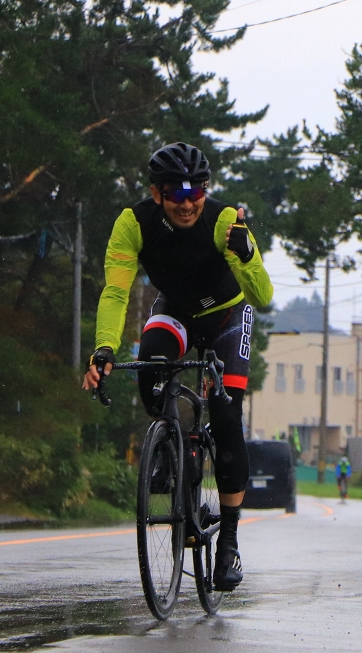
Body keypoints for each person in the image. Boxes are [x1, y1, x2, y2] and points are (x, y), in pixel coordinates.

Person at [83, 142, 273, 592]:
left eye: (197, 192)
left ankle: (228, 540)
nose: (188, 202)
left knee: (226, 417)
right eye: (176, 193)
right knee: (151, 367)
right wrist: (104, 349)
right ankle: (176, 444)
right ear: (157, 193)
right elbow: (115, 293)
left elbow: (262, 297)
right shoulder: (133, 223)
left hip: (228, 313)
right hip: (177, 310)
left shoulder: (226, 222)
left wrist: (245, 255)